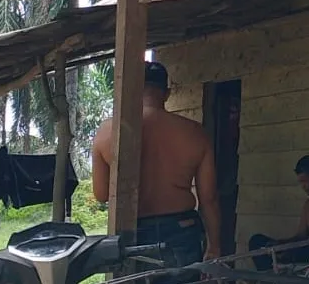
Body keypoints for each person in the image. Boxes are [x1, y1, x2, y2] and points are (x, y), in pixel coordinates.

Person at [92, 62, 221, 269]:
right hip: (182, 230)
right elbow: (209, 199)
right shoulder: (195, 133)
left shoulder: (107, 132)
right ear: (167, 94)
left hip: (133, 231)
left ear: (131, 90)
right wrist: (214, 246)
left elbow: (101, 194)